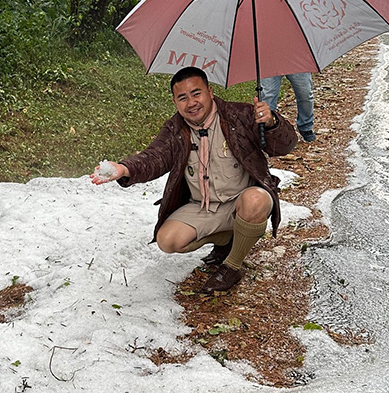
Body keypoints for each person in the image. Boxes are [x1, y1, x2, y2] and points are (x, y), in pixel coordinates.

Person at [91, 67, 297, 293]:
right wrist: (123, 168)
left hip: (242, 201)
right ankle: (226, 240)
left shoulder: (241, 115)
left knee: (257, 200)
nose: (191, 103)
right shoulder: (175, 129)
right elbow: (154, 157)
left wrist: (271, 123)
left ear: (209, 91)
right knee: (167, 240)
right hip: (203, 207)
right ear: (174, 101)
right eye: (183, 97)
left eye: (196, 93)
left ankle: (232, 265)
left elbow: (284, 147)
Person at [258, 73, 315, 142]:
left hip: (297, 64)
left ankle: (306, 127)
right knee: (267, 98)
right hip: (269, 64)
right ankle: (268, 131)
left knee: (305, 93)